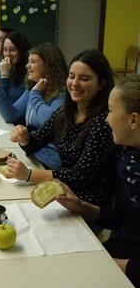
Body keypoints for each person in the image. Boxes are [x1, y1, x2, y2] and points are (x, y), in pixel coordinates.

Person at [55, 75, 140, 288]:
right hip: (122, 253)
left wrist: (108, 264)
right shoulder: (128, 158)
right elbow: (126, 219)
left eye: (111, 111)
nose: (106, 119)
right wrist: (81, 206)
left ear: (133, 121)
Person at [7, 49, 119, 208]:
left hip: (87, 206)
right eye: (72, 76)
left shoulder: (103, 123)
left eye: (84, 79)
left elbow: (80, 176)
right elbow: (34, 144)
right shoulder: (65, 113)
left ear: (102, 84)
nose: (74, 83)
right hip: (61, 193)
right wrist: (24, 138)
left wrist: (29, 175)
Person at [0, 43, 67, 169]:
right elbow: (11, 115)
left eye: (33, 62)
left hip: (48, 163)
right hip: (31, 153)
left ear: (49, 66)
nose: (27, 66)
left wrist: (35, 94)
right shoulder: (35, 89)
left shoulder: (62, 93)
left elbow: (49, 121)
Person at [0, 31, 30, 104]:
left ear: (21, 51)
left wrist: (4, 75)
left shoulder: (28, 73)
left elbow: (7, 105)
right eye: (5, 50)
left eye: (12, 50)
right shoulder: (9, 68)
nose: (7, 54)